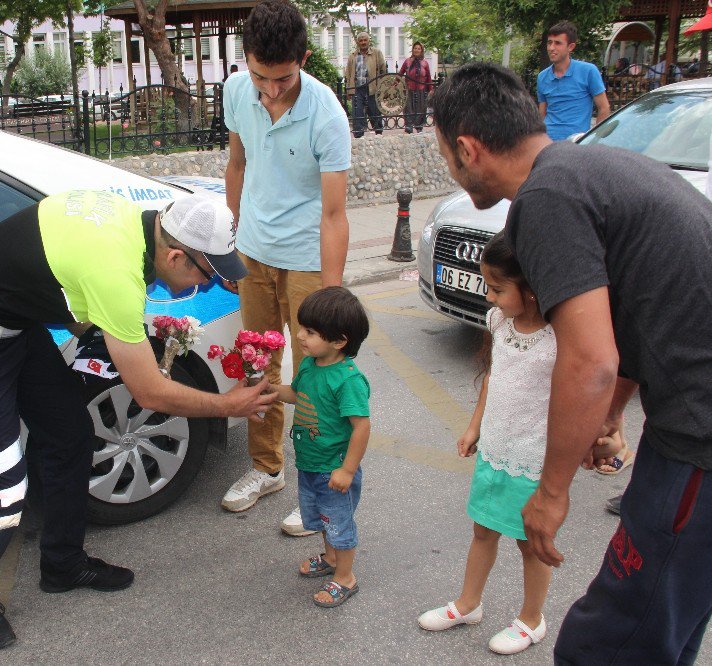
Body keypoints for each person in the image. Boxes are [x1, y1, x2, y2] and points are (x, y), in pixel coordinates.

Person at [430, 61, 712, 665]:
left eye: (446, 157)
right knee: (667, 627)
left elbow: (589, 359)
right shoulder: (595, 166)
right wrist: (608, 416)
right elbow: (637, 313)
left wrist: (551, 492)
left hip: (700, 436)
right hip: (685, 424)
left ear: (466, 148)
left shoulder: (546, 199)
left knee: (608, 642)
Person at [0, 191, 275, 651]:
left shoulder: (134, 225)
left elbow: (65, 284)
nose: (202, 290)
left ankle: (62, 565)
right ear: (176, 255)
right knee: (4, 482)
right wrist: (231, 405)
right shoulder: (116, 270)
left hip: (15, 326)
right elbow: (148, 392)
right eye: (206, 279)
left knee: (70, 434)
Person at [418, 233, 617, 654]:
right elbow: (495, 376)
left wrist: (589, 441)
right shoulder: (499, 323)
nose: (489, 298)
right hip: (496, 448)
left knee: (531, 542)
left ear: (529, 291)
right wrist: (475, 426)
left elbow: (581, 394)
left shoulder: (559, 338)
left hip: (535, 457)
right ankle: (468, 603)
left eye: (497, 288)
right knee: (484, 528)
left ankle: (532, 620)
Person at [221, 0, 352, 538]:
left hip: (304, 258)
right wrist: (229, 242)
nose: (270, 90)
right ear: (246, 60)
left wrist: (333, 294)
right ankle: (266, 467)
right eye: (259, 77)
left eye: (282, 78)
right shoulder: (236, 91)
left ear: (302, 58)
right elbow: (236, 163)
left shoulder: (327, 114)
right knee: (258, 362)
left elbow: (335, 212)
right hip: (252, 250)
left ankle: (318, 490)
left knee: (315, 377)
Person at [271, 287, 370, 607]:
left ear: (339, 341)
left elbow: (362, 427)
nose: (299, 336)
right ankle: (330, 558)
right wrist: (271, 391)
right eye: (301, 328)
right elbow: (296, 395)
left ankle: (345, 577)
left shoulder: (348, 380)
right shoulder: (311, 365)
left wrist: (347, 469)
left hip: (333, 467)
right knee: (323, 519)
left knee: (339, 522)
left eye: (310, 332)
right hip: (310, 462)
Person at [536, 21, 610, 140]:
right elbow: (542, 113)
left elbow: (604, 108)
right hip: (548, 144)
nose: (551, 48)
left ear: (570, 47)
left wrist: (595, 139)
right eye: (549, 43)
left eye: (558, 43)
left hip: (576, 143)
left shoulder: (588, 71)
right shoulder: (542, 77)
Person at [343, 31, 387, 137]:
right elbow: (348, 74)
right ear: (358, 42)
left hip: (372, 87)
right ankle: (358, 134)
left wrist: (382, 87)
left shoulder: (376, 53)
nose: (363, 42)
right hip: (358, 88)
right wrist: (349, 90)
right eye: (361, 40)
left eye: (365, 40)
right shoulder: (353, 56)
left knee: (374, 110)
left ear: (369, 41)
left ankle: (378, 132)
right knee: (357, 112)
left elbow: (383, 70)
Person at [398, 42, 432, 133]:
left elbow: (428, 77)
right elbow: (400, 73)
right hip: (409, 89)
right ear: (412, 50)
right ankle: (409, 126)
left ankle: (419, 126)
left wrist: (431, 90)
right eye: (415, 48)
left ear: (421, 51)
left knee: (420, 108)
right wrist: (394, 83)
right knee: (408, 108)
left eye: (419, 49)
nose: (416, 50)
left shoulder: (425, 63)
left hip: (421, 90)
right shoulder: (407, 61)